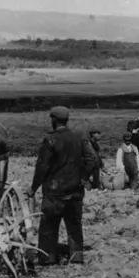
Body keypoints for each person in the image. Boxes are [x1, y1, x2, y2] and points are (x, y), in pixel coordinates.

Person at [28, 106, 99, 266]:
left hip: (55, 192)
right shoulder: (78, 137)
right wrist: (83, 177)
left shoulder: (50, 140)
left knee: (48, 226)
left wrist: (33, 188)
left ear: (53, 119)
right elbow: (92, 159)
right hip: (75, 191)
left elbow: (42, 167)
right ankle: (77, 256)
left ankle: (47, 258)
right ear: (66, 120)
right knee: (74, 224)